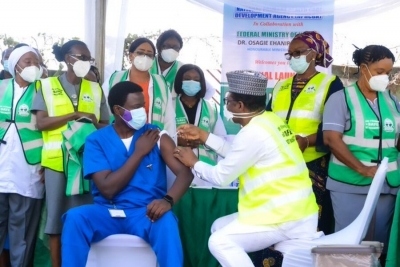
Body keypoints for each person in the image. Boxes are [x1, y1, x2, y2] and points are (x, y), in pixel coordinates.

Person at [174, 70, 319, 267]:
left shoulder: (254, 132)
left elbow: (221, 177)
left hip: (285, 217)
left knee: (220, 242)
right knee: (218, 227)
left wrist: (193, 162)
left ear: (240, 106)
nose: (226, 105)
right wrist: (204, 135)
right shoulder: (270, 120)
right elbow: (238, 154)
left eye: (228, 101)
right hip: (293, 211)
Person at [61, 81, 193, 267]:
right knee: (75, 217)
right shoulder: (96, 140)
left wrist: (167, 200)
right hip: (106, 212)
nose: (143, 111)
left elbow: (185, 174)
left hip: (147, 213)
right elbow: (107, 189)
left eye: (144, 105)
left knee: (167, 221)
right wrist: (139, 153)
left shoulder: (156, 135)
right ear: (118, 110)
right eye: (136, 107)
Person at [31, 40, 109, 267]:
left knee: (84, 217)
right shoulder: (46, 85)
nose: (86, 62)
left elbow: (106, 126)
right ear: (68, 59)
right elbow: (41, 123)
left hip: (88, 163)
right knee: (56, 220)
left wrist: (94, 121)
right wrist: (73, 115)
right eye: (81, 57)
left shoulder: (95, 89)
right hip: (57, 164)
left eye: (88, 58)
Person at [323, 45, 399, 265]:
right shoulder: (341, 99)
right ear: (363, 68)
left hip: (387, 186)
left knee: (379, 245)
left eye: (388, 72)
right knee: (350, 246)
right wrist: (362, 169)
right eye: (379, 71)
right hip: (350, 184)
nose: (384, 77)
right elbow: (331, 139)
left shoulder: (392, 101)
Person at [268, 31, 343, 236]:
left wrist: (307, 141)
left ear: (314, 54)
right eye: (290, 53)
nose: (293, 57)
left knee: (309, 223)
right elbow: (267, 120)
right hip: (279, 163)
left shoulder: (331, 84)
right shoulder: (280, 85)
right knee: (277, 221)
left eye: (298, 52)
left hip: (313, 165)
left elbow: (337, 127)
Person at [0, 46, 44, 267]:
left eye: (36, 62)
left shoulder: (44, 89)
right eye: (28, 62)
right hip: (1, 167)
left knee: (22, 231)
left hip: (29, 170)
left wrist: (48, 164)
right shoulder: (0, 88)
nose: (33, 66)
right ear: (15, 64)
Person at [106, 37, 175, 136]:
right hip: (119, 139)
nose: (145, 57)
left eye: (149, 55)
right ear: (130, 56)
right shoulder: (115, 79)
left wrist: (170, 145)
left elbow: (169, 119)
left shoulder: (161, 83)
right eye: (140, 53)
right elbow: (105, 111)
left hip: (152, 140)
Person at [173, 64, 227, 186]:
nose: (192, 82)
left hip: (204, 171)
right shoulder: (169, 105)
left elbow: (221, 139)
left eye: (196, 80)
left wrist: (203, 140)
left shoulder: (211, 108)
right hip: (175, 169)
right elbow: (161, 134)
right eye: (187, 78)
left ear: (202, 83)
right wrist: (176, 140)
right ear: (179, 81)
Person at [150, 29, 216, 100]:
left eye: (176, 48)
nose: (171, 50)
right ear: (159, 47)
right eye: (167, 46)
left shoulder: (183, 69)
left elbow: (210, 90)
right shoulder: (148, 64)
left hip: (173, 110)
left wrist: (198, 106)